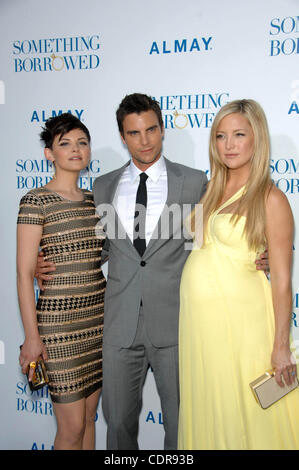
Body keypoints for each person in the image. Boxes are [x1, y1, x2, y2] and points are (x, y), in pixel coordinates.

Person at [36, 94, 268, 450]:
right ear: (122, 136)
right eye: (133, 133)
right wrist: (49, 264)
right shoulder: (102, 187)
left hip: (176, 323)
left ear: (162, 130)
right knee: (118, 426)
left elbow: (217, 235)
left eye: (151, 130)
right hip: (117, 326)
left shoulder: (193, 182)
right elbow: (103, 248)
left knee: (180, 425)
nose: (144, 140)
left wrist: (259, 253)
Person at [178, 99, 299, 450]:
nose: (228, 145)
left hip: (242, 326)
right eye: (220, 136)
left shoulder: (270, 198)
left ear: (256, 139)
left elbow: (282, 280)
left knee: (247, 417)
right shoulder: (210, 192)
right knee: (211, 407)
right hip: (201, 326)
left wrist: (280, 346)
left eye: (239, 135)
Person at [17, 113, 106, 450]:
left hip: (97, 323)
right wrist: (31, 338)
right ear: (49, 154)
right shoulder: (35, 201)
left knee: (88, 419)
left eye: (82, 143)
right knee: (70, 429)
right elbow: (24, 274)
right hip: (58, 327)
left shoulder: (95, 201)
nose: (75, 149)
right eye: (65, 143)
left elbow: (100, 253)